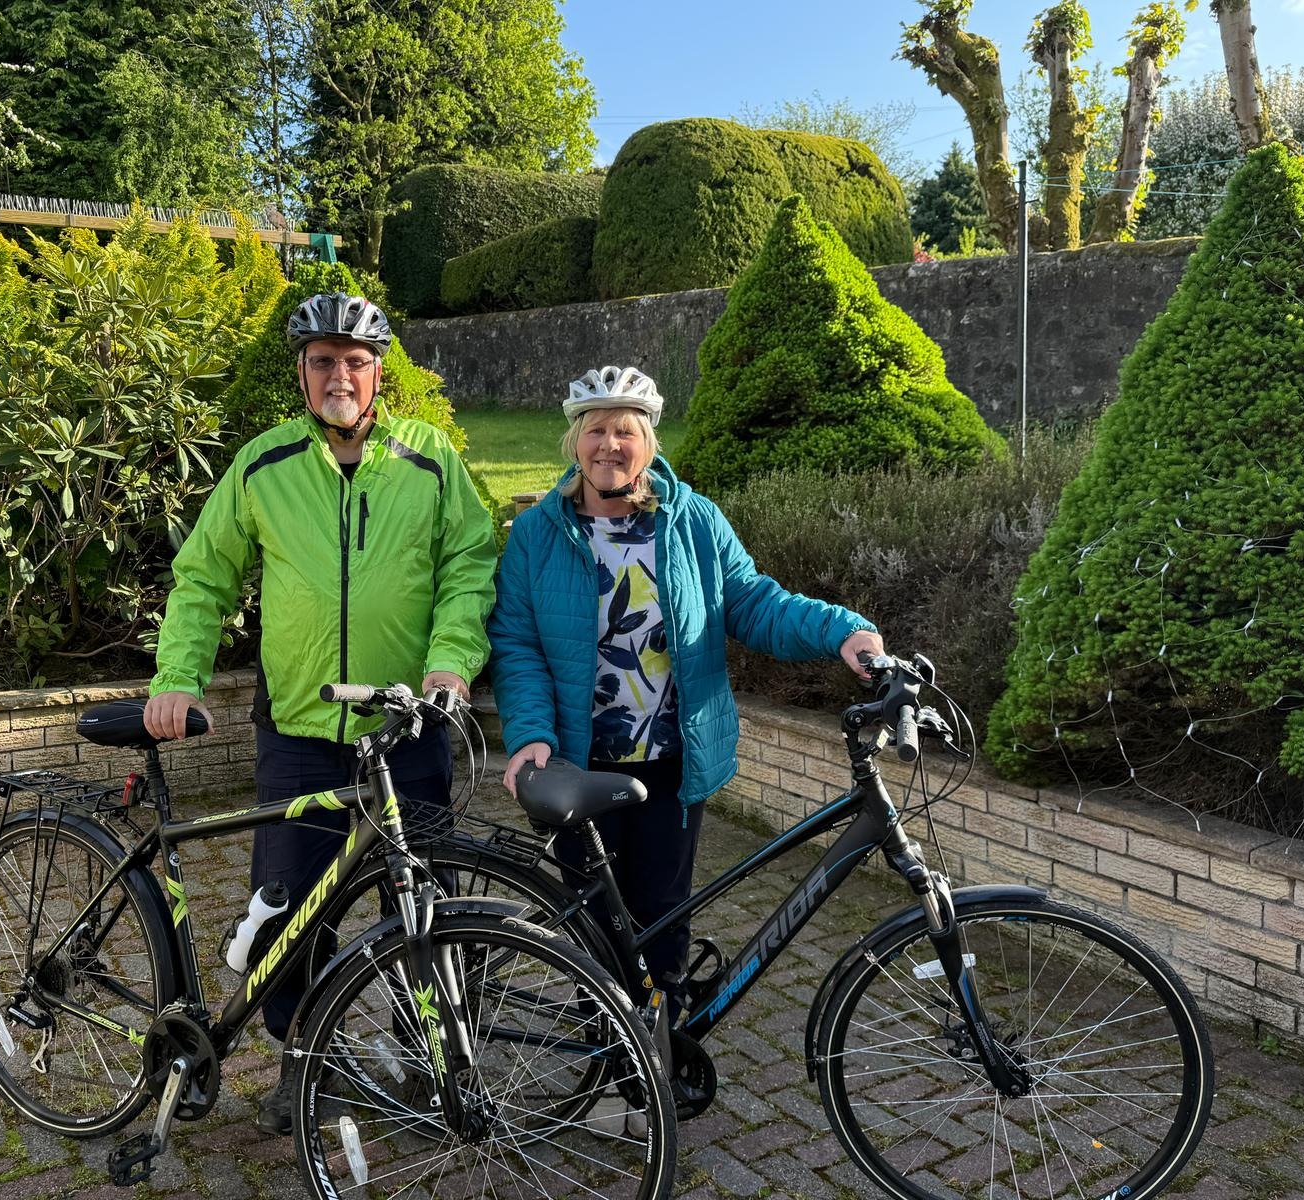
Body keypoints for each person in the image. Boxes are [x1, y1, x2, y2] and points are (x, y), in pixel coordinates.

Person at [144, 292, 497, 1135]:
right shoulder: (263, 465)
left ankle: (431, 1061)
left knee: (425, 907)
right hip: (300, 729)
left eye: (355, 362)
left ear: (379, 374)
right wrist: (180, 676)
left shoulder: (430, 459)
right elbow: (204, 576)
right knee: (290, 911)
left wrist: (450, 661)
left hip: (406, 729)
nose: (340, 375)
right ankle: (304, 1063)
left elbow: (469, 564)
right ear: (302, 374)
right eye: (323, 362)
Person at [487, 365, 883, 1013]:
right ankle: (609, 1045)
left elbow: (754, 602)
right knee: (596, 933)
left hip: (670, 763)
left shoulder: (694, 520)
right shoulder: (538, 533)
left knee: (665, 916)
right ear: (574, 441)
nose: (609, 445)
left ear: (648, 442)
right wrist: (530, 733)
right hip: (578, 765)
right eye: (595, 430)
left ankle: (662, 1042)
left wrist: (842, 631)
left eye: (625, 431)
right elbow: (518, 643)